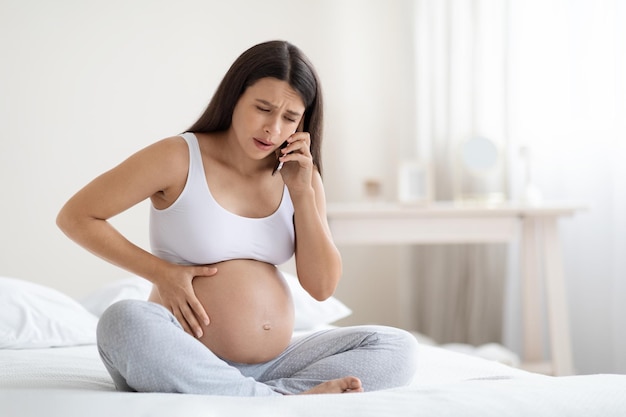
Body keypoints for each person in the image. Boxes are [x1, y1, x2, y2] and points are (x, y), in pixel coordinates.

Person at [56, 40, 418, 396]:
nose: (273, 129)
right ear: (235, 98)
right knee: (123, 322)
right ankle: (273, 400)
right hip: (182, 354)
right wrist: (161, 273)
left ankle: (264, 395)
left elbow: (321, 287)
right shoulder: (178, 156)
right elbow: (77, 216)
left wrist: (302, 193)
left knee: (395, 346)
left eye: (290, 117)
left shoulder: (302, 178)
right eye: (263, 108)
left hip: (274, 363)